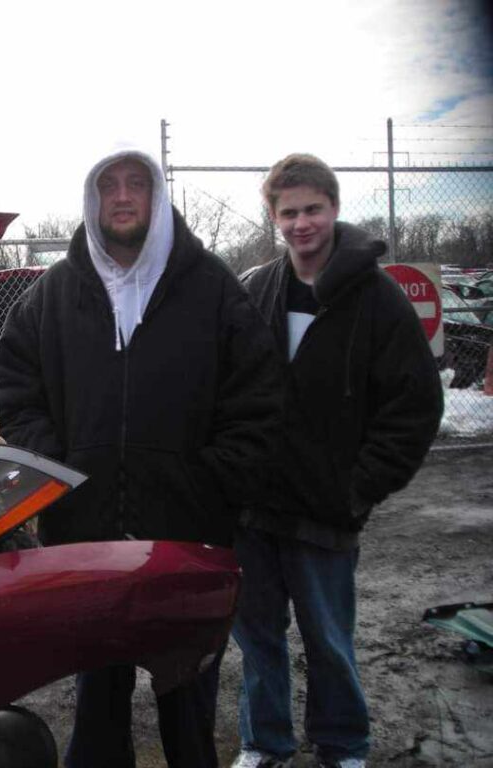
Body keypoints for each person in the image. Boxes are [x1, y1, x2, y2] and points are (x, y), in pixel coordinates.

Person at [0, 146, 282, 768]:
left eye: (136, 184)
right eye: (108, 186)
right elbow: (13, 391)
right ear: (91, 200)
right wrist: (56, 472)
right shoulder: (52, 295)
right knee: (98, 706)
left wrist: (208, 484)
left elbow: (258, 402)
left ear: (157, 197)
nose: (121, 197)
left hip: (188, 539)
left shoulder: (212, 288)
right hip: (85, 539)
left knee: (188, 708)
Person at [230, 154, 443, 768]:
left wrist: (360, 485)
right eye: (288, 212)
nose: (301, 223)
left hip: (326, 509)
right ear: (274, 218)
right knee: (258, 639)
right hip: (254, 508)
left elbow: (416, 405)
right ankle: (263, 743)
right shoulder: (257, 289)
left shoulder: (377, 298)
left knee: (328, 640)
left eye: (312, 210)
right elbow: (224, 385)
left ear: (335, 209)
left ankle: (343, 747)